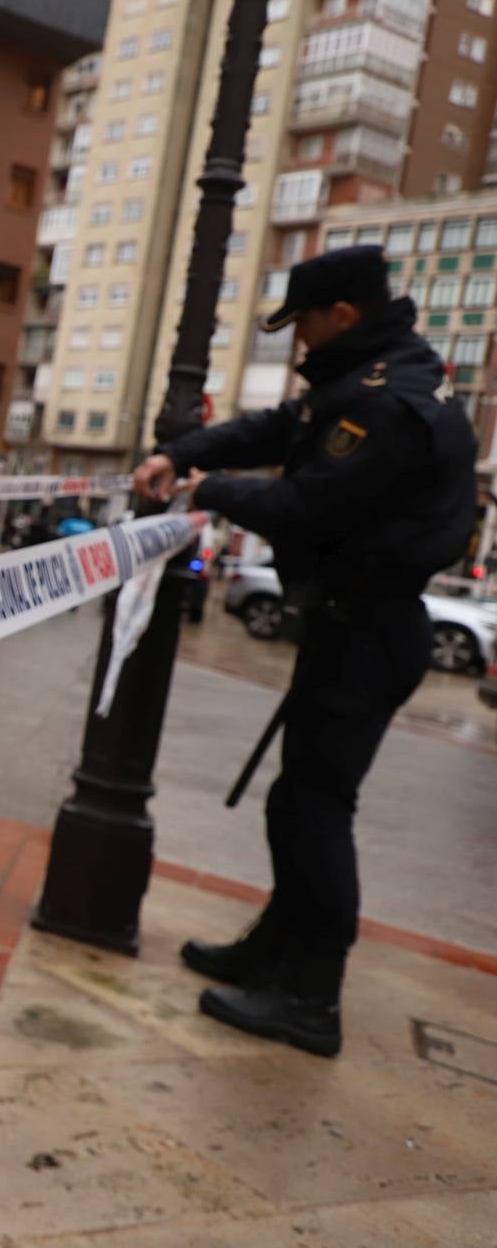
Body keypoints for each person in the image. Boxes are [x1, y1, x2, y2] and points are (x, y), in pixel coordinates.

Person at [132, 244, 477, 1057]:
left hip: (369, 629)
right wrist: (186, 452)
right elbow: (279, 427)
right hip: (350, 622)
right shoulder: (366, 379)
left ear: (343, 315)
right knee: (299, 801)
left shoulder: (384, 403)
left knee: (319, 810)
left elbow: (305, 505)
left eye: (306, 325)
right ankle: (275, 951)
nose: (300, 342)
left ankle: (312, 999)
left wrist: (202, 491)